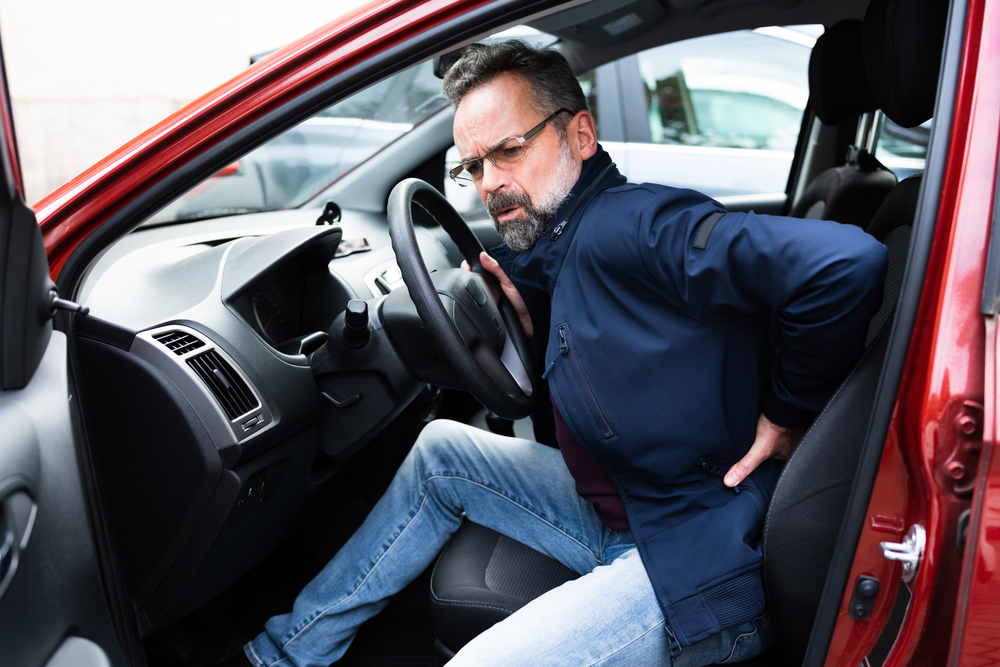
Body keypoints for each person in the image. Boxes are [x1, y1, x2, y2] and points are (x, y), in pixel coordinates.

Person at [244, 41, 886, 667]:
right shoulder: (566, 239)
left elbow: (844, 264)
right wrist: (524, 299)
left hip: (696, 565)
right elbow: (576, 288)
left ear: (580, 135)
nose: (490, 182)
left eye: (509, 150)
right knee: (442, 452)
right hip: (636, 510)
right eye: (473, 166)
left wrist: (787, 411)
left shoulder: (635, 224)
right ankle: (282, 653)